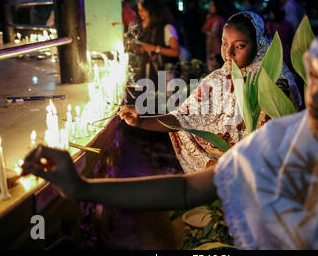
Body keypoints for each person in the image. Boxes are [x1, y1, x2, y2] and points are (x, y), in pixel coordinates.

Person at [22, 3, 318, 250]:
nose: (317, 100)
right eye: (317, 78)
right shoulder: (289, 137)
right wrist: (84, 186)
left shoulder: (274, 86)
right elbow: (188, 182)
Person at [119, 11, 301, 173]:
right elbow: (183, 118)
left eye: (239, 46)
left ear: (259, 44)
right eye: (224, 44)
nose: (228, 53)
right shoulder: (217, 80)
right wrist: (141, 119)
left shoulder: (276, 82)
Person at [127, 0, 180, 86]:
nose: (140, 13)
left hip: (164, 74)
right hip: (147, 75)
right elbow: (143, 50)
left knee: (162, 99)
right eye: (139, 10)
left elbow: (175, 52)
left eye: (143, 10)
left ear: (152, 10)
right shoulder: (141, 27)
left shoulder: (167, 27)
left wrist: (155, 48)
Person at [202, 0, 226, 71]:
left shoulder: (218, 19)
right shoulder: (210, 18)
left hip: (216, 48)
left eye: (212, 5)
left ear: (217, 7)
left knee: (215, 68)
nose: (210, 7)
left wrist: (206, 31)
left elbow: (214, 33)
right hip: (210, 47)